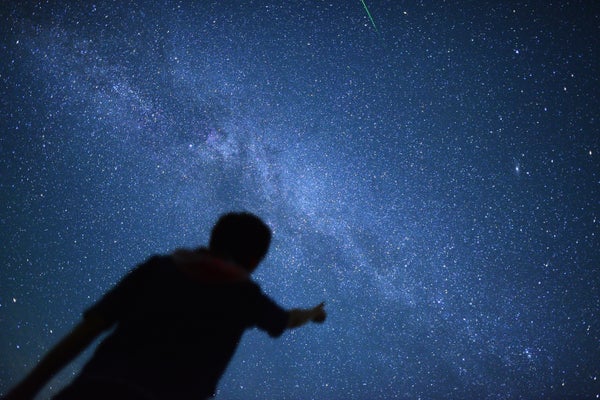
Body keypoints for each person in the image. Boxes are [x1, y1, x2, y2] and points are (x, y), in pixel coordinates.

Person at [4, 212, 326, 400]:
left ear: (214, 239)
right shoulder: (244, 296)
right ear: (255, 260)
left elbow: (90, 329)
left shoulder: (159, 268)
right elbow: (287, 320)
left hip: (96, 390)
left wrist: (28, 388)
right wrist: (313, 312)